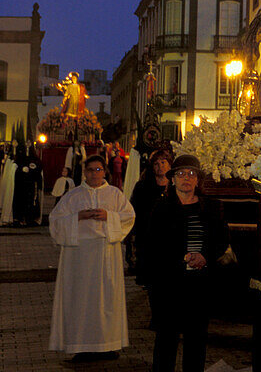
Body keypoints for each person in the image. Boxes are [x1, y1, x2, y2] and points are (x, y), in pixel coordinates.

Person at [48, 154, 135, 360]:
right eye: (90, 170)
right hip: (78, 256)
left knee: (107, 299)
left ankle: (107, 344)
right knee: (80, 299)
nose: (94, 174)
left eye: (98, 169)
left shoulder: (115, 194)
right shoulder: (73, 196)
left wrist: (109, 216)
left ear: (105, 171)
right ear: (84, 172)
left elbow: (129, 217)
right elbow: (55, 221)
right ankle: (81, 344)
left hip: (106, 253)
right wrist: (78, 216)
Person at [148, 154, 230, 372]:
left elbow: (222, 239)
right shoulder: (161, 208)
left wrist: (205, 256)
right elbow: (153, 245)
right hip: (169, 284)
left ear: (198, 180)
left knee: (196, 342)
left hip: (199, 285)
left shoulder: (211, 207)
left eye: (192, 174)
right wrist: (182, 258)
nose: (187, 178)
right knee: (166, 341)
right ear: (172, 179)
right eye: (181, 173)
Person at [130, 148, 174, 289]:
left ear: (170, 164)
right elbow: (135, 209)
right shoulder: (142, 186)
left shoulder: (175, 186)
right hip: (147, 233)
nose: (160, 166)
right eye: (156, 163)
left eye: (163, 162)